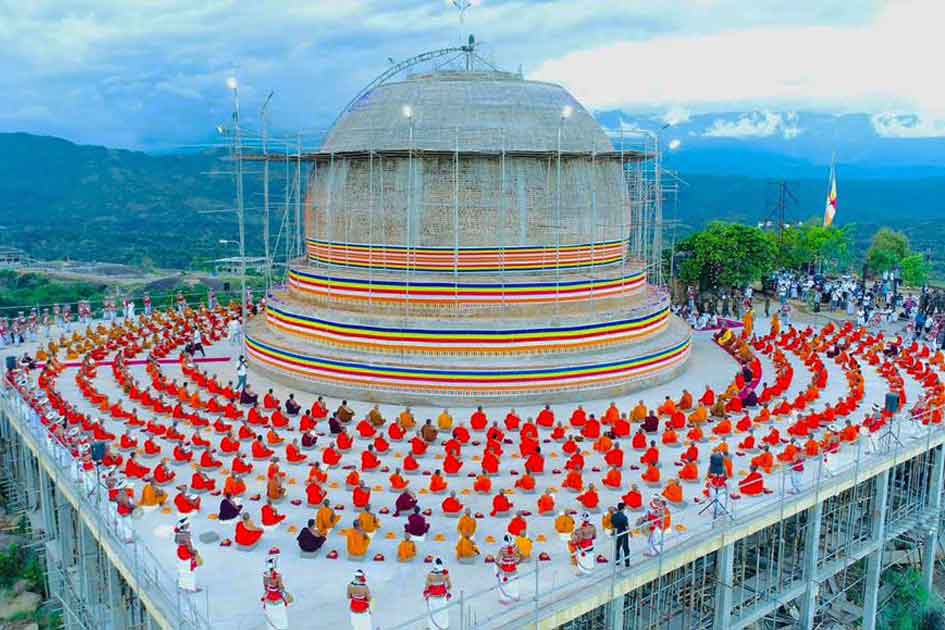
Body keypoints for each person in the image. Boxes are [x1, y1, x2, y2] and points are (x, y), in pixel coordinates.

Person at [262, 549, 291, 630]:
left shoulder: (265, 575)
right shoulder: (278, 576)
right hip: (277, 598)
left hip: (269, 598)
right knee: (280, 615)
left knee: (270, 616)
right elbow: (281, 587)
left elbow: (265, 586)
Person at [424, 558, 452, 629]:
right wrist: (447, 592)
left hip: (432, 597)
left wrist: (425, 593)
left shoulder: (430, 575)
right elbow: (449, 586)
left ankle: (433, 628)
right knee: (443, 613)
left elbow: (427, 587)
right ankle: (443, 627)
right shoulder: (445, 574)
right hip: (442, 598)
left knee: (432, 614)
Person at [174, 518, 201, 592]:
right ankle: (191, 588)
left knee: (183, 571)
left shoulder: (179, 533)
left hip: (180, 553)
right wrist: (194, 553)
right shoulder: (186, 535)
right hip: (186, 554)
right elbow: (189, 546)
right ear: (184, 526)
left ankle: (182, 585)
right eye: (187, 524)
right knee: (190, 572)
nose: (189, 525)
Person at [495, 535, 522, 604]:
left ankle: (505, 599)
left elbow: (497, 560)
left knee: (504, 584)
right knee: (514, 583)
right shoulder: (515, 547)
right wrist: (518, 561)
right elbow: (521, 555)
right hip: (513, 567)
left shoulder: (502, 549)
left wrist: (499, 566)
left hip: (505, 569)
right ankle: (515, 596)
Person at [611, 503, 630, 568]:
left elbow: (613, 525)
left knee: (617, 548)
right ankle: (627, 563)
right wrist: (630, 532)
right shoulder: (624, 517)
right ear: (623, 508)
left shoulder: (613, 516)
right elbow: (627, 527)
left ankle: (617, 561)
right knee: (626, 549)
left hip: (617, 533)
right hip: (624, 533)